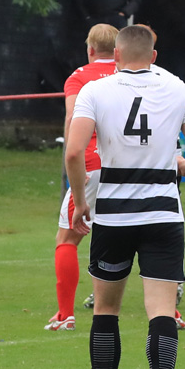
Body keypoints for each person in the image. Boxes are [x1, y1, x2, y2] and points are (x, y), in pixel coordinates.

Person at [66, 25, 185, 369]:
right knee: (162, 311)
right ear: (154, 54)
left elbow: (74, 150)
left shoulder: (96, 90)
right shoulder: (177, 87)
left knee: (106, 309)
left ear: (115, 54)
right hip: (163, 212)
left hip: (113, 213)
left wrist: (81, 201)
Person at [45, 24, 118, 332]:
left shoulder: (79, 77)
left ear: (90, 49)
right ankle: (170, 311)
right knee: (138, 237)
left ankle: (65, 314)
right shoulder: (132, 76)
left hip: (89, 163)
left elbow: (73, 117)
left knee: (67, 238)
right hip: (125, 167)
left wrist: (70, 161)